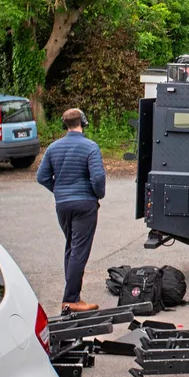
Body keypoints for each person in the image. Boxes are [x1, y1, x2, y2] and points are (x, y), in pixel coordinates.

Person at [36, 108, 106, 312]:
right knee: (79, 250)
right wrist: (97, 194)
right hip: (85, 204)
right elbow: (98, 177)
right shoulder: (90, 147)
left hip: (63, 205)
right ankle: (71, 300)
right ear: (83, 122)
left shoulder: (53, 148)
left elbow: (42, 177)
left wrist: (59, 191)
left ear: (64, 124)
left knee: (72, 247)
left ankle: (73, 296)